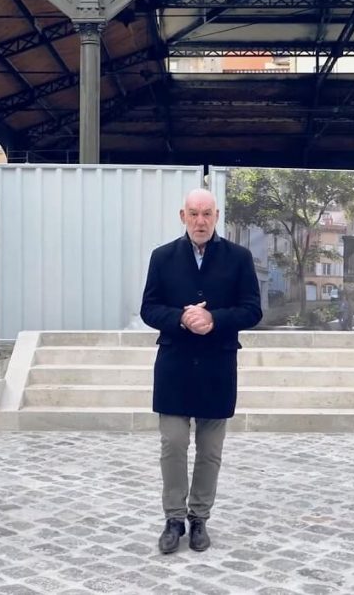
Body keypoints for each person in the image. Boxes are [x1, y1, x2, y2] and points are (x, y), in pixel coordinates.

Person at [140, 188, 262, 554]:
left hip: (216, 368)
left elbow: (252, 310)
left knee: (210, 451)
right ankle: (173, 518)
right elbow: (149, 308)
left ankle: (199, 519)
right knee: (172, 445)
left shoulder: (238, 258)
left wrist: (214, 318)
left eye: (207, 213)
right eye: (193, 214)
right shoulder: (162, 257)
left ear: (217, 216)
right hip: (175, 366)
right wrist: (181, 318)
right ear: (183, 216)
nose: (200, 221)